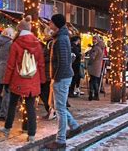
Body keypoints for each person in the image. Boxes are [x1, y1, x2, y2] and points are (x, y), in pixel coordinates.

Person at [0, 16, 45, 143]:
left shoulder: (16, 44)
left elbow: (11, 65)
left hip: (18, 79)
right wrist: (42, 80)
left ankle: (7, 128)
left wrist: (6, 81)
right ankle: (32, 134)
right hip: (33, 79)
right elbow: (41, 64)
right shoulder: (38, 44)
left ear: (20, 30)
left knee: (12, 104)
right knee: (30, 107)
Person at [44, 14, 81, 150]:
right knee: (58, 106)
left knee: (59, 109)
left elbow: (64, 61)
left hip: (61, 77)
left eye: (51, 23)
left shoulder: (61, 39)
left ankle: (60, 140)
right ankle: (75, 126)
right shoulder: (61, 37)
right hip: (62, 77)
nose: (49, 25)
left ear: (56, 24)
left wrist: (56, 78)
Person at [0, 28, 15, 121]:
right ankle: (3, 114)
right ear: (9, 35)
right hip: (7, 70)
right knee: (7, 92)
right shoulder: (10, 44)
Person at [40, 28, 55, 120]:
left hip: (47, 72)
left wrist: (41, 59)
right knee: (46, 92)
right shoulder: (50, 43)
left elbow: (50, 57)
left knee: (44, 91)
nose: (44, 35)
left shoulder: (50, 43)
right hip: (48, 71)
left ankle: (50, 110)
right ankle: (51, 110)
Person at [88, 35, 103, 101]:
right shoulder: (101, 47)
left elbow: (92, 57)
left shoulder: (96, 48)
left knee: (92, 81)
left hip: (94, 66)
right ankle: (95, 95)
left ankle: (92, 95)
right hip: (98, 66)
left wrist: (89, 62)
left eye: (94, 39)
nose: (93, 40)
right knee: (94, 80)